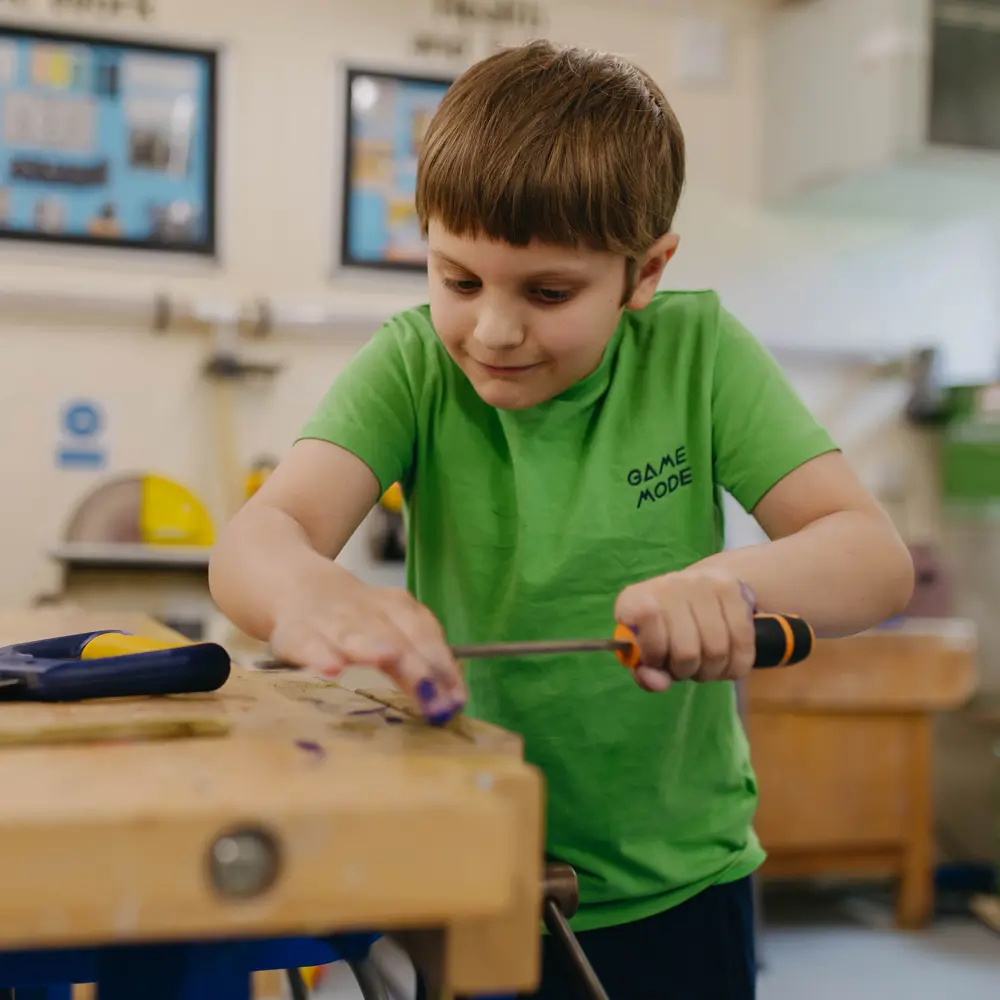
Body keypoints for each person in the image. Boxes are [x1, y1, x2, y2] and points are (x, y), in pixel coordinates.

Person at [209, 40, 914, 1000]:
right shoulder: (416, 364)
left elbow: (872, 558)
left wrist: (730, 585)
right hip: (474, 861)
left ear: (646, 270)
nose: (493, 330)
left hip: (680, 880)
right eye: (458, 280)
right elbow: (259, 539)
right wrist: (306, 594)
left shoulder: (699, 357)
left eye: (548, 293)